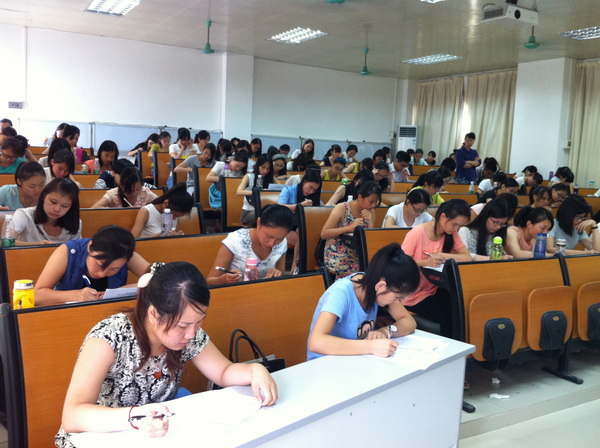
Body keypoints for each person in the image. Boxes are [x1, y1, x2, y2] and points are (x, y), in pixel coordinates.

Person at [54, 261, 277, 446]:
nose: (192, 334)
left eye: (199, 322)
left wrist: (255, 370)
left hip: (154, 437)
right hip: (100, 437)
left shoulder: (188, 335)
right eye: (183, 325)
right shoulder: (109, 337)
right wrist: (135, 417)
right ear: (153, 314)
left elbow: (223, 371)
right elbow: (73, 416)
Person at [307, 243, 420, 360]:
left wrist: (385, 331)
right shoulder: (340, 293)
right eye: (398, 297)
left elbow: (409, 321)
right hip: (325, 362)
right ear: (381, 286)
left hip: (356, 358)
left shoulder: (376, 286)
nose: (399, 301)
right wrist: (370, 346)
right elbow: (316, 342)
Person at [401, 199, 472, 337]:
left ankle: (460, 344)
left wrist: (443, 255)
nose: (456, 229)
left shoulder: (451, 234)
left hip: (434, 288)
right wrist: (425, 262)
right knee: (450, 314)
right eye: (455, 224)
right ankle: (450, 345)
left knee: (461, 305)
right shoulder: (417, 233)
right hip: (412, 294)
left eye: (460, 226)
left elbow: (467, 257)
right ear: (443, 216)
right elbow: (400, 264)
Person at [35, 226, 150, 306]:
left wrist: (119, 291)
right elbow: (37, 295)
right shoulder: (68, 251)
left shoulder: (125, 254)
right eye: (99, 264)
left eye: (114, 269)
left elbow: (157, 278)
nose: (102, 274)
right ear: (90, 247)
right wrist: (76, 295)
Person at [207, 204, 294, 285]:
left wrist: (278, 275)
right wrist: (224, 279)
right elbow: (210, 281)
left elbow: (281, 275)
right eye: (269, 236)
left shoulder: (282, 243)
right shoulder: (235, 240)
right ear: (259, 222)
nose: (272, 243)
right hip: (236, 292)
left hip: (264, 291)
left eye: (279, 239)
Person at [321, 181, 381, 279]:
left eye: (376, 202)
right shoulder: (342, 208)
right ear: (360, 197)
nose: (373, 205)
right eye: (371, 201)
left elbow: (370, 241)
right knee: (360, 276)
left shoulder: (370, 212)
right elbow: (324, 233)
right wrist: (349, 228)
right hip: (337, 253)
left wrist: (370, 223)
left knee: (376, 271)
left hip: (358, 254)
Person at [11, 178, 81, 246]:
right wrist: (38, 245)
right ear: (44, 196)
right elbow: (7, 242)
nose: (57, 209)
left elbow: (78, 250)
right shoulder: (24, 215)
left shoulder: (74, 223)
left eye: (65, 206)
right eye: (53, 202)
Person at [237, 155, 275, 226]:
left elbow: (280, 189)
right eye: (263, 167)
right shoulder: (249, 176)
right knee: (265, 215)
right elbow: (239, 191)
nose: (265, 171)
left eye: (268, 169)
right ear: (257, 166)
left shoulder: (271, 178)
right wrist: (257, 193)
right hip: (248, 213)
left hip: (266, 211)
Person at [92, 166, 157, 208]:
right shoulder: (114, 194)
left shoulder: (145, 192)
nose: (134, 193)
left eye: (138, 189)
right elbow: (94, 208)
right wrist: (121, 212)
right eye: (130, 190)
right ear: (121, 186)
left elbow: (160, 204)